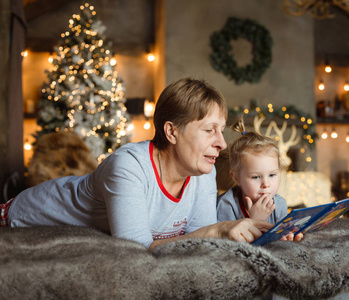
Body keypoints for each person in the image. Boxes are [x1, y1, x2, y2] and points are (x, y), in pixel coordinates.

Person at [1, 78, 273, 250]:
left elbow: (195, 242)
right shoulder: (128, 167)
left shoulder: (203, 172)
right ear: (171, 132)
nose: (222, 144)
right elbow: (134, 249)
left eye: (221, 130)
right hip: (21, 217)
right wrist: (218, 230)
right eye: (208, 130)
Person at [217, 117, 302, 242]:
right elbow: (225, 246)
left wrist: (290, 235)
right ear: (236, 177)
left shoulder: (279, 204)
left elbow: (279, 242)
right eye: (256, 177)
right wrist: (255, 221)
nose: (266, 184)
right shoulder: (226, 205)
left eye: (272, 175)